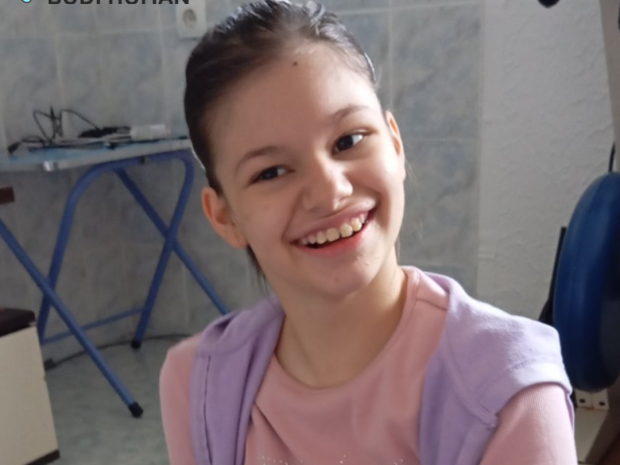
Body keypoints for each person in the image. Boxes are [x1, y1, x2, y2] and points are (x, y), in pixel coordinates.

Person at [160, 1, 577, 464]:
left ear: (395, 145)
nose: (329, 192)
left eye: (349, 140)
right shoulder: (197, 387)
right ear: (225, 217)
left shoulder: (509, 396)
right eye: (272, 171)